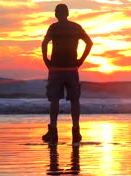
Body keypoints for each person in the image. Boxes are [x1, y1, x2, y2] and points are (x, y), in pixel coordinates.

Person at [41, 3, 93, 144]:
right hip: (71, 68)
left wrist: (46, 60)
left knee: (54, 99)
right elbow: (89, 43)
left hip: (56, 68)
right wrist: (80, 60)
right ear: (68, 13)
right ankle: (76, 131)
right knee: (74, 100)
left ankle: (53, 131)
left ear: (57, 14)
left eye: (56, 12)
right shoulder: (76, 27)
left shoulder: (54, 27)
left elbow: (44, 43)